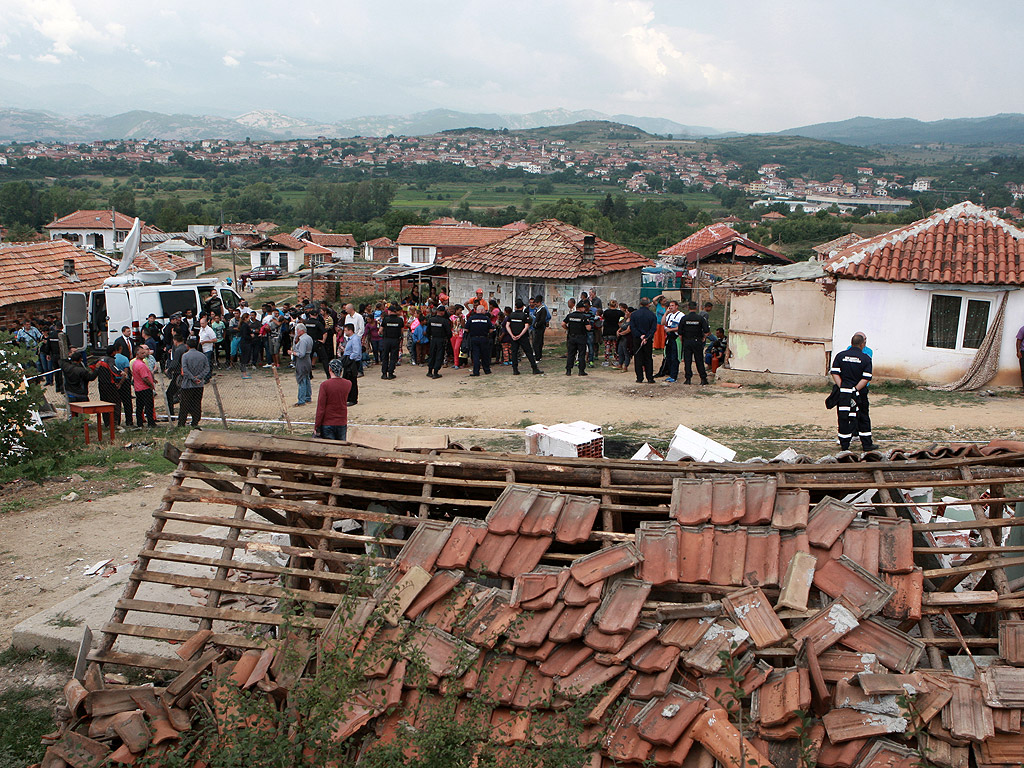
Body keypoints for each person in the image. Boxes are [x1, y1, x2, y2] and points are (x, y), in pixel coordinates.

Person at [830, 333, 877, 452]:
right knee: (863, 417)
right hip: (859, 393)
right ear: (863, 344)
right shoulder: (866, 358)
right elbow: (866, 377)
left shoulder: (840, 356)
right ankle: (867, 444)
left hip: (843, 393)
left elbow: (834, 372)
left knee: (844, 417)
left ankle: (844, 445)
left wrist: (844, 388)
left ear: (851, 343)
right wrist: (855, 390)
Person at [315, 358, 353, 441]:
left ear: (330, 369)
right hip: (341, 421)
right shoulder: (348, 384)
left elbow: (321, 408)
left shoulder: (325, 385)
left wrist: (317, 425)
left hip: (328, 422)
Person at [178, 338, 210, 428]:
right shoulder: (202, 356)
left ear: (187, 346)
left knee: (184, 404)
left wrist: (192, 378)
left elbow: (185, 369)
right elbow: (207, 368)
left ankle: (181, 422)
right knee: (197, 403)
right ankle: (195, 421)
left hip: (187, 384)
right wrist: (199, 377)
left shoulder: (185, 356)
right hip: (199, 384)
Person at [505, 299, 541, 375]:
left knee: (514, 353)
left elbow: (507, 326)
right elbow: (526, 326)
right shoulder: (524, 316)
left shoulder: (511, 315)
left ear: (515, 307)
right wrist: (520, 335)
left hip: (513, 337)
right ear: (522, 307)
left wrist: (512, 335)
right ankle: (534, 368)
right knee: (529, 352)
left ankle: (515, 370)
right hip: (523, 337)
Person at [680, 301, 710, 385]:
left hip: (687, 341)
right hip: (697, 341)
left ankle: (688, 379)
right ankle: (703, 379)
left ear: (688, 308)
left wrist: (683, 341)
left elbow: (680, 332)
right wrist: (704, 337)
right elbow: (707, 331)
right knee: (699, 360)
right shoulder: (700, 318)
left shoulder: (684, 318)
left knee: (687, 360)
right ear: (696, 308)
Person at [631, 297, 658, 384]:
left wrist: (640, 336)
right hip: (648, 339)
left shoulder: (634, 314)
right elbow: (653, 328)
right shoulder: (652, 315)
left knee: (638, 358)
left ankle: (639, 378)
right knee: (648, 358)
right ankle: (649, 378)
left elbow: (633, 327)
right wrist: (646, 337)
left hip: (637, 339)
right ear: (648, 304)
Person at [562, 301, 592, 376]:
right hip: (581, 337)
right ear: (581, 308)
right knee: (581, 354)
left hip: (571, 337)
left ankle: (568, 370)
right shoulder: (584, 317)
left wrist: (568, 329)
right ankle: (581, 371)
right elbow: (588, 328)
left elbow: (563, 324)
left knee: (571, 354)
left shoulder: (570, 316)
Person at [129, 346, 156, 427]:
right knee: (148, 406)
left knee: (139, 406)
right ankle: (151, 423)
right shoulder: (141, 365)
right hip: (145, 388)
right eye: (142, 353)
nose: (144, 354)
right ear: (137, 354)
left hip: (138, 388)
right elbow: (144, 378)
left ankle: (139, 423)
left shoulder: (135, 363)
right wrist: (151, 385)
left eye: (144, 353)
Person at [465, 302, 493, 377]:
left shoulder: (471, 318)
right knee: (485, 355)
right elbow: (491, 330)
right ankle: (487, 370)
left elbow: (466, 329)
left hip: (474, 339)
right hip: (484, 339)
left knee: (475, 356)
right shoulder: (486, 319)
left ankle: (476, 372)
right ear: (481, 310)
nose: (485, 312)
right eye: (484, 310)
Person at [425, 305, 452, 379]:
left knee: (432, 354)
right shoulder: (445, 321)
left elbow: (427, 331)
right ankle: (436, 372)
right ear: (443, 312)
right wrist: (447, 338)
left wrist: (430, 338)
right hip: (441, 340)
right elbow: (449, 332)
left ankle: (429, 371)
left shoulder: (431, 320)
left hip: (433, 339)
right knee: (439, 355)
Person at [290, 323, 314, 406]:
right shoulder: (309, 338)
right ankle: (308, 397)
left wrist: (292, 353)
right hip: (308, 360)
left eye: (297, 330)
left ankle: (301, 400)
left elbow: (301, 354)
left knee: (301, 380)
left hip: (302, 361)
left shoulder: (303, 340)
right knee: (306, 378)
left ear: (301, 330)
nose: (296, 332)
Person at [379, 303, 405, 380]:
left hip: (386, 340)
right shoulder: (400, 320)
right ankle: (390, 373)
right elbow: (402, 331)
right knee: (393, 357)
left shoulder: (386, 319)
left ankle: (384, 373)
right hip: (395, 340)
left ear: (389, 311)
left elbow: (380, 330)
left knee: (385, 357)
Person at [661, 300, 684, 383]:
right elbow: (663, 322)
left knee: (675, 357)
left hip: (676, 337)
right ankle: (670, 373)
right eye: (669, 306)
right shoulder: (669, 315)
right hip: (669, 337)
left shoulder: (681, 315)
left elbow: (681, 326)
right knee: (669, 356)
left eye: (672, 305)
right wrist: (666, 313)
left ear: (676, 306)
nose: (670, 307)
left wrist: (671, 329)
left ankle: (674, 375)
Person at [165, 332, 186, 415]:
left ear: (175, 341)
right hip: (185, 372)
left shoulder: (178, 350)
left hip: (178, 374)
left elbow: (175, 362)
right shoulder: (185, 348)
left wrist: (169, 370)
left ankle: (171, 413)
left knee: (169, 394)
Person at [339, 322, 361, 405]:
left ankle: (353, 399)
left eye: (345, 330)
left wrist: (350, 359)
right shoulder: (350, 339)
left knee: (352, 380)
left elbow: (356, 351)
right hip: (350, 361)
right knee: (347, 379)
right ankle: (348, 397)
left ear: (350, 331)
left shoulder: (355, 339)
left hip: (353, 362)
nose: (344, 332)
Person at [601, 300, 623, 365]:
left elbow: (603, 317)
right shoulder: (619, 312)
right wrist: (620, 322)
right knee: (616, 346)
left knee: (607, 346)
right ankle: (617, 359)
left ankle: (607, 360)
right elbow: (624, 317)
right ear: (616, 305)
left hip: (607, 330)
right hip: (615, 330)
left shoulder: (606, 312)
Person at [530, 295, 550, 362]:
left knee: (537, 342)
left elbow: (542, 320)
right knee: (537, 342)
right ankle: (538, 355)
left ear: (539, 302)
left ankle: (538, 357)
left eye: (536, 303)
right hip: (537, 328)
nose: (535, 305)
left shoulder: (543, 309)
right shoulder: (538, 309)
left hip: (540, 328)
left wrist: (536, 325)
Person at [198, 317, 217, 382]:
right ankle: (206, 375)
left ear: (206, 323)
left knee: (207, 363)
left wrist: (205, 341)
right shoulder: (201, 329)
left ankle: (207, 377)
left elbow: (215, 339)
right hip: (202, 348)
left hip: (208, 349)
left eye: (203, 323)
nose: (202, 325)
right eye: (201, 323)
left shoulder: (209, 330)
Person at [615, 306, 634, 371]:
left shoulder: (632, 320)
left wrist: (621, 333)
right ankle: (620, 364)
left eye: (627, 311)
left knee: (626, 352)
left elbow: (629, 330)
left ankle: (625, 366)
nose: (625, 313)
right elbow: (622, 325)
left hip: (627, 338)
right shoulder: (626, 319)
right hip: (622, 337)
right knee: (620, 351)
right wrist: (618, 330)